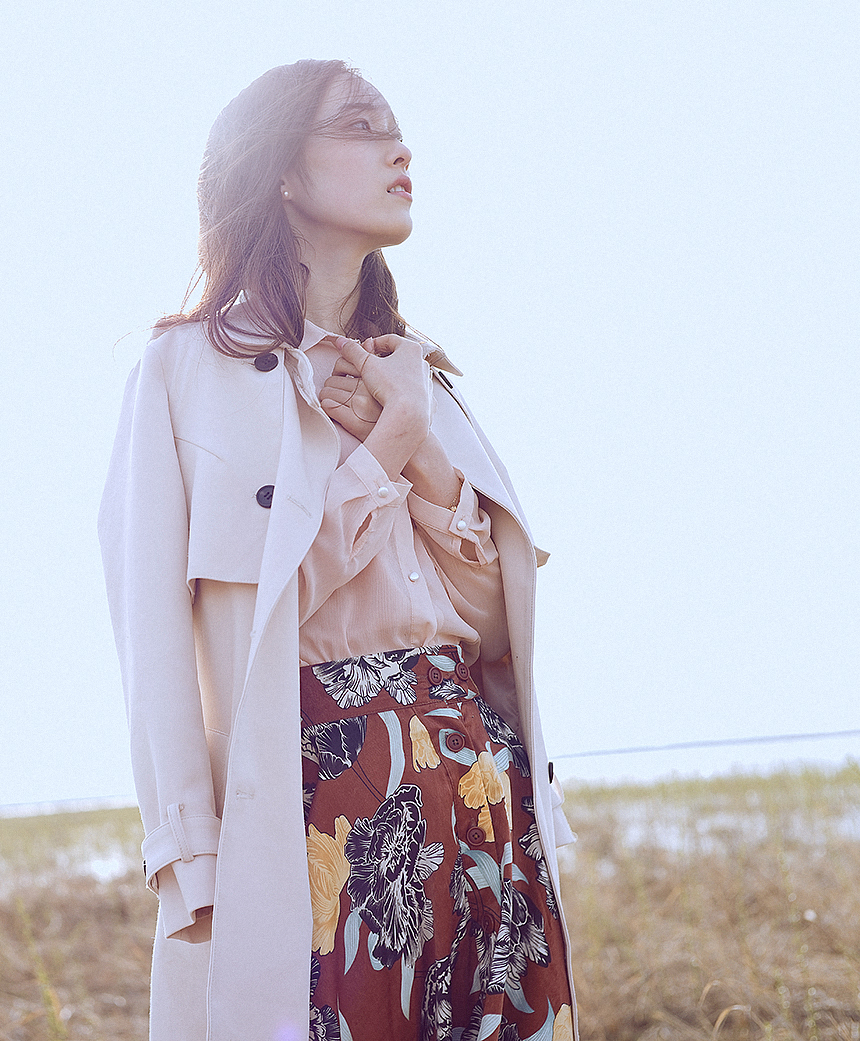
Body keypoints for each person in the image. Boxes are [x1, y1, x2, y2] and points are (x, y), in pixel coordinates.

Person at [99, 59, 578, 1041]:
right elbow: (165, 640)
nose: (401, 150)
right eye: (363, 127)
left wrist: (422, 444)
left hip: (479, 798)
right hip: (316, 811)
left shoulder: (424, 377)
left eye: (397, 128)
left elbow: (493, 626)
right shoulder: (186, 373)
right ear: (279, 168)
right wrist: (189, 857)